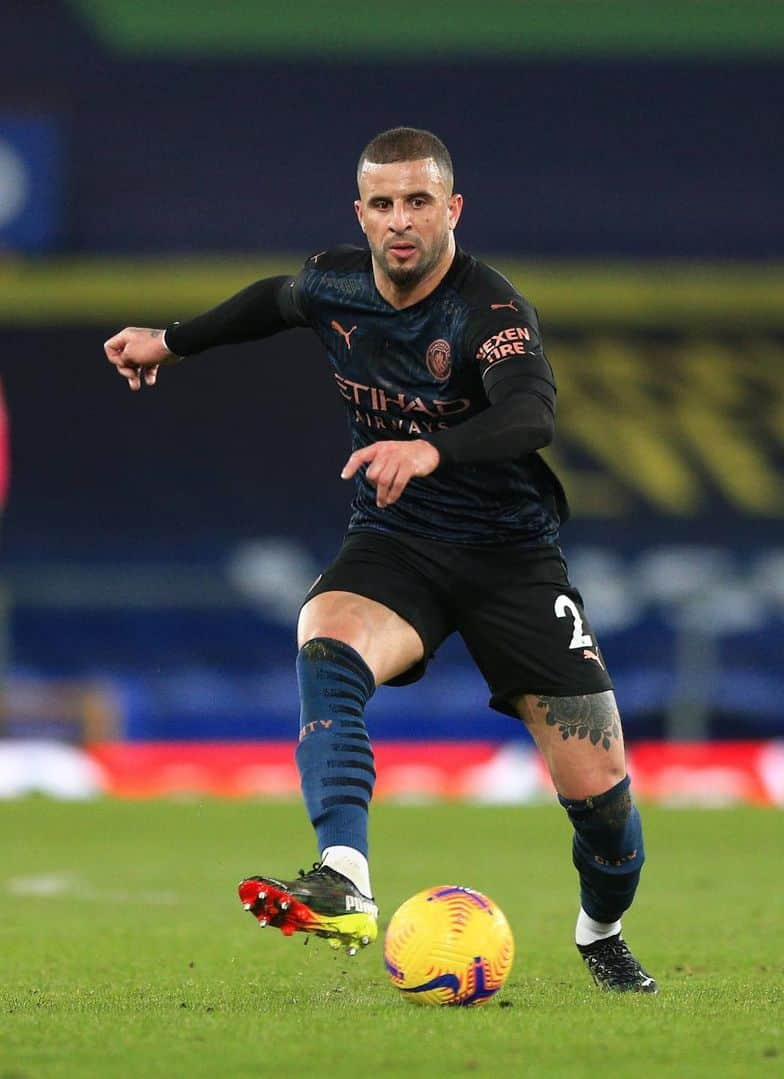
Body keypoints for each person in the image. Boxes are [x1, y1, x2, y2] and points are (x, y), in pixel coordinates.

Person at [104, 127, 656, 993]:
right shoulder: (338, 283)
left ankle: (601, 931)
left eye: (420, 202)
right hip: (398, 540)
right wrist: (170, 342)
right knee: (324, 631)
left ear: (453, 210)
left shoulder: (490, 310)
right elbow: (270, 302)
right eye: (384, 204)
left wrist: (432, 449)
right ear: (361, 214)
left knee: (605, 802)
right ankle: (345, 879)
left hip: (513, 559)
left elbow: (532, 416)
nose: (402, 221)